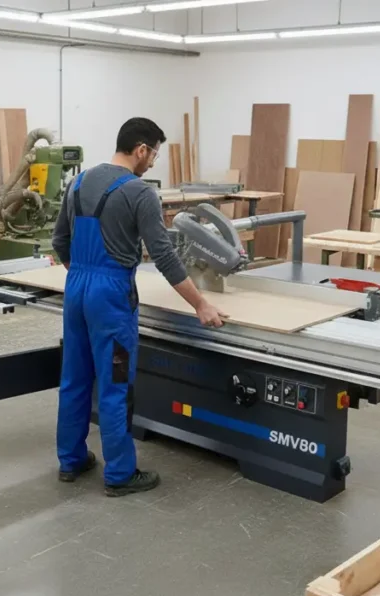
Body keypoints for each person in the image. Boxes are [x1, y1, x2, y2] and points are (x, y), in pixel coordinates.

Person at [51, 117, 227, 497]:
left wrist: (83, 275)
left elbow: (60, 241)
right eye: (154, 155)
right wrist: (200, 304)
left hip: (76, 288)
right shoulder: (139, 192)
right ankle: (119, 474)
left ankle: (71, 460)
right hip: (110, 296)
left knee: (75, 379)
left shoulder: (77, 183)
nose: (152, 163)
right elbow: (164, 256)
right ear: (141, 149)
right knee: (115, 385)